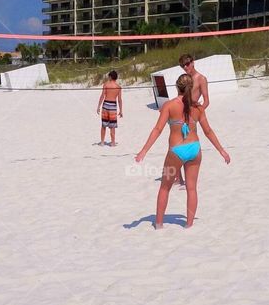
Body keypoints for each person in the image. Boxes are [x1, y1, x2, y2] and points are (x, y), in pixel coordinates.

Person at [135, 74, 230, 229]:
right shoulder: (198, 108)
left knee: (165, 187)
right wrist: (222, 151)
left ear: (176, 87)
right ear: (192, 87)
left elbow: (157, 129)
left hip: (176, 150)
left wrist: (143, 151)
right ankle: (189, 224)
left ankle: (159, 224)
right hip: (194, 148)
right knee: (191, 188)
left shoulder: (169, 105)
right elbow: (208, 131)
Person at [173, 54, 210, 187]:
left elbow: (206, 101)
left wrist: (197, 115)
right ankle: (179, 178)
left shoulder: (201, 79)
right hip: (181, 115)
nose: (185, 67)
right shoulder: (184, 79)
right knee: (176, 144)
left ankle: (183, 179)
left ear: (193, 62)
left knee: (187, 145)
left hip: (191, 117)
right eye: (183, 65)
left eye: (187, 64)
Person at [96, 70, 123, 146]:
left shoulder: (106, 85)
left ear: (110, 77)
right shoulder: (118, 87)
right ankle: (113, 142)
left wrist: (98, 106)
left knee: (103, 125)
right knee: (112, 126)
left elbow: (102, 96)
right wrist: (121, 110)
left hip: (105, 105)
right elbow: (120, 100)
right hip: (113, 106)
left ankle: (102, 142)